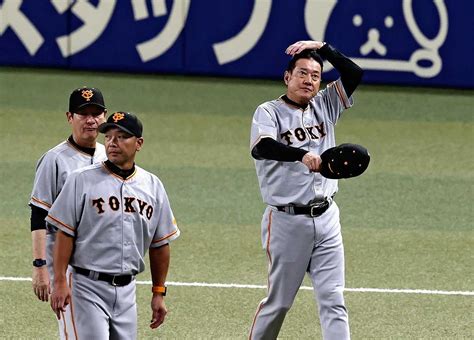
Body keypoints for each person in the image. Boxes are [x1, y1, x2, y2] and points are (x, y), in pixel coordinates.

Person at [248, 40, 363, 340]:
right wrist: (300, 155)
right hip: (287, 221)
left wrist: (324, 48)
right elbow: (261, 147)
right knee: (279, 303)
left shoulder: (325, 104)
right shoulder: (268, 112)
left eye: (315, 75)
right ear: (287, 77)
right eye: (302, 73)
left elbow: (354, 74)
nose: (309, 80)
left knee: (334, 299)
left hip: (327, 219)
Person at [47, 112, 180, 339]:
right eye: (108, 137)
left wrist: (159, 292)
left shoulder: (153, 185)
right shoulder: (81, 179)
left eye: (121, 137)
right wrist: (59, 280)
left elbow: (160, 243)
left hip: (127, 292)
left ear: (139, 143)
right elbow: (64, 233)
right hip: (85, 287)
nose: (112, 143)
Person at [29, 87, 107, 339]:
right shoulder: (54, 159)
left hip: (101, 263)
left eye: (96, 113)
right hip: (68, 266)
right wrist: (41, 266)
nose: (90, 120)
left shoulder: (109, 154)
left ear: (105, 117)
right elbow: (39, 214)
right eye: (83, 114)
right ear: (69, 117)